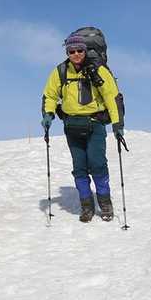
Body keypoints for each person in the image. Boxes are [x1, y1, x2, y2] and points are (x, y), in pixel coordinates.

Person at [41, 32, 125, 222]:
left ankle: (105, 202)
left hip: (95, 124)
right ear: (67, 52)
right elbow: (50, 95)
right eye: (72, 51)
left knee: (97, 163)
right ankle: (86, 205)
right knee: (79, 167)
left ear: (85, 50)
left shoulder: (98, 70)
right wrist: (48, 114)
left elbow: (112, 97)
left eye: (79, 50)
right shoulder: (61, 71)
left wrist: (117, 124)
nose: (76, 54)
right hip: (72, 126)